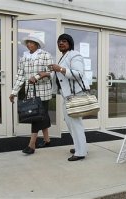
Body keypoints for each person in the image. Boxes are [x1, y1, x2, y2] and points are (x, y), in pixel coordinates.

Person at [9, 35, 53, 155]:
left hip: (44, 91)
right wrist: (14, 92)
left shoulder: (45, 55)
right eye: (27, 42)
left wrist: (37, 77)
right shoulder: (24, 57)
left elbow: (51, 72)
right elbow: (20, 76)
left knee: (36, 118)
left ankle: (31, 145)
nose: (29, 44)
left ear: (37, 44)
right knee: (42, 115)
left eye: (31, 42)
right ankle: (47, 140)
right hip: (31, 91)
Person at [48, 33, 89, 161]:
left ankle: (81, 152)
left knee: (75, 123)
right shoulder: (64, 57)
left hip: (75, 95)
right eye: (59, 41)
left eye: (64, 41)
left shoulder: (74, 55)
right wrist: (47, 74)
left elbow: (78, 74)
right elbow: (60, 78)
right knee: (70, 123)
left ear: (69, 43)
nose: (61, 43)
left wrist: (59, 68)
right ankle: (79, 146)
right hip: (68, 95)